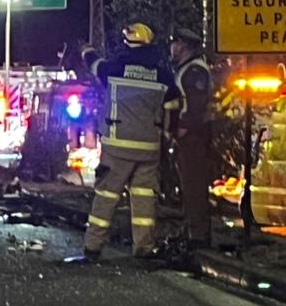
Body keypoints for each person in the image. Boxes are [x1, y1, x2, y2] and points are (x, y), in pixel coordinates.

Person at [67, 23, 180, 263]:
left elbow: (95, 65)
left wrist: (87, 50)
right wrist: (167, 135)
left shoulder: (115, 68)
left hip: (117, 147)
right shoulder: (163, 74)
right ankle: (144, 248)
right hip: (149, 149)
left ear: (127, 43)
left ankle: (93, 247)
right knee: (144, 200)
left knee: (106, 197)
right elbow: (172, 108)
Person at [168, 29, 215, 250]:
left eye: (175, 44)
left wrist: (182, 129)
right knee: (189, 186)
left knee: (194, 186)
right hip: (190, 138)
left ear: (183, 46)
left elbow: (195, 105)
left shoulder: (194, 71)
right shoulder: (187, 69)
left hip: (194, 138)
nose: (172, 49)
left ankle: (198, 237)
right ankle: (191, 230)